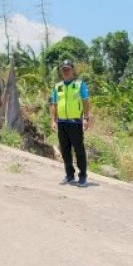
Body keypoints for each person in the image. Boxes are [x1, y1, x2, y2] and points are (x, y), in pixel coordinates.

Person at [49, 59, 91, 187]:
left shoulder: (80, 84)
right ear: (61, 71)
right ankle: (69, 175)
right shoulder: (58, 86)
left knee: (79, 150)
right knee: (65, 150)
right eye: (63, 69)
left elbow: (85, 101)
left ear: (72, 70)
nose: (66, 71)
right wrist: (53, 120)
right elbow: (54, 104)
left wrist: (86, 118)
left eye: (68, 69)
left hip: (75, 123)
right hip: (62, 123)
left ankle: (82, 176)